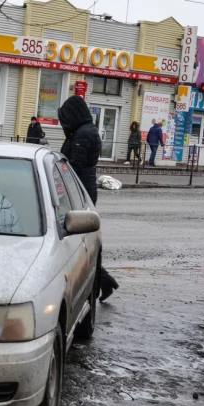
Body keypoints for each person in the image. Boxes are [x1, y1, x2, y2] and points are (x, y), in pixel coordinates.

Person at [58, 95, 119, 302]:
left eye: (65, 118)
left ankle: (102, 279)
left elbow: (73, 168)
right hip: (84, 186)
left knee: (78, 243)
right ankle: (104, 280)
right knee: (79, 242)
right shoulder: (83, 131)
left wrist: (60, 186)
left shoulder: (83, 134)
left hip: (80, 189)